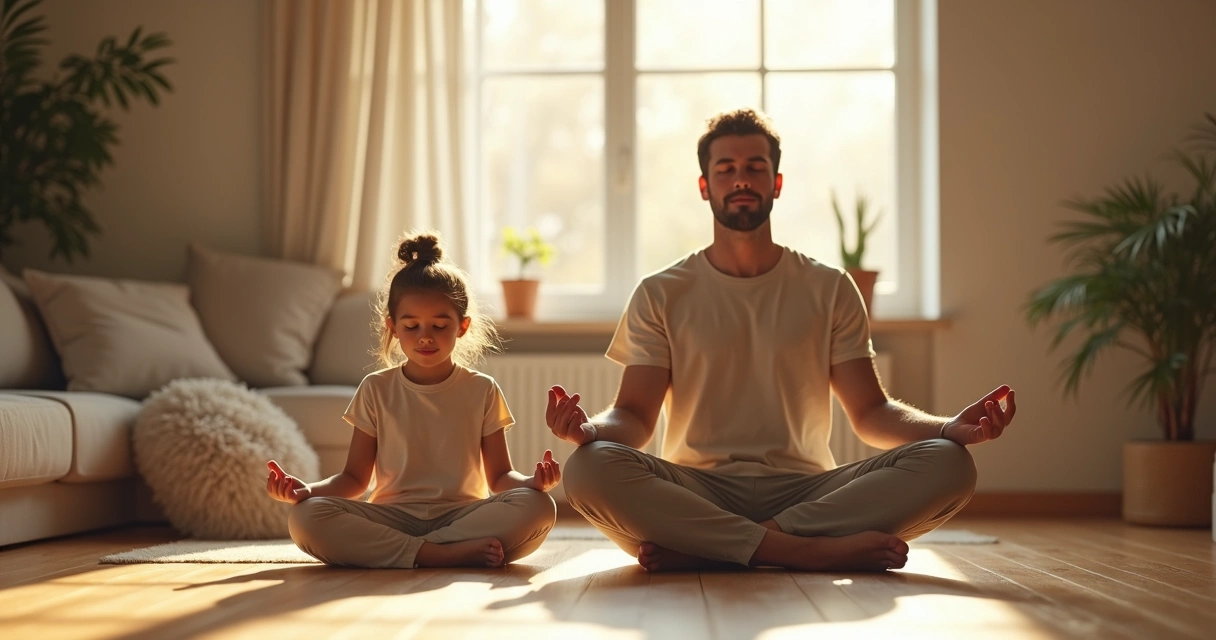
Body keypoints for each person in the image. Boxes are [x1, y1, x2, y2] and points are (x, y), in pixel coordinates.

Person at [547, 108, 1017, 573]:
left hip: (808, 491)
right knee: (588, 469)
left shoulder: (829, 287)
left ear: (776, 183)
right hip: (697, 490)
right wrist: (589, 432)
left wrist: (946, 427)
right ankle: (802, 550)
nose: (741, 179)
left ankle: (722, 547)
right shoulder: (661, 291)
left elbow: (872, 414)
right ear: (705, 187)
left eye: (756, 167)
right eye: (726, 169)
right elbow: (634, 416)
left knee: (951, 465)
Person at [267, 232, 559, 568]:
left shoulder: (483, 389)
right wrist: (308, 491)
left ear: (462, 326)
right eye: (411, 326)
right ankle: (439, 553)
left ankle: (407, 552)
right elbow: (354, 480)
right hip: (392, 516)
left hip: (463, 517)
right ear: (392, 327)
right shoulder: (375, 388)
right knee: (305, 517)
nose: (425, 337)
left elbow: (500, 479)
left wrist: (532, 483)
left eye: (439, 325)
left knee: (539, 507)